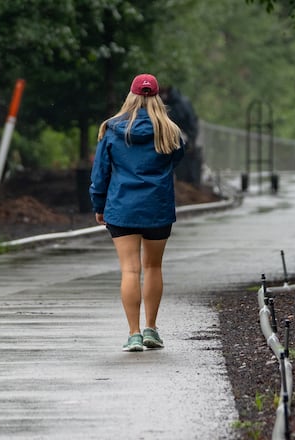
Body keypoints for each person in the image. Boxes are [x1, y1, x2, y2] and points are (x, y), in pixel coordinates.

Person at [89, 73, 185, 352]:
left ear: (131, 96)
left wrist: (99, 205)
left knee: (130, 269)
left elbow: (101, 172)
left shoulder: (111, 129)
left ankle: (133, 334)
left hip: (122, 207)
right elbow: (175, 160)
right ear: (156, 98)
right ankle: (151, 329)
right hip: (157, 206)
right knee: (153, 267)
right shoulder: (170, 131)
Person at [159, 85, 201, 185]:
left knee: (187, 169)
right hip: (169, 141)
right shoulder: (161, 104)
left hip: (184, 139)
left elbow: (192, 123)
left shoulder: (182, 104)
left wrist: (190, 139)